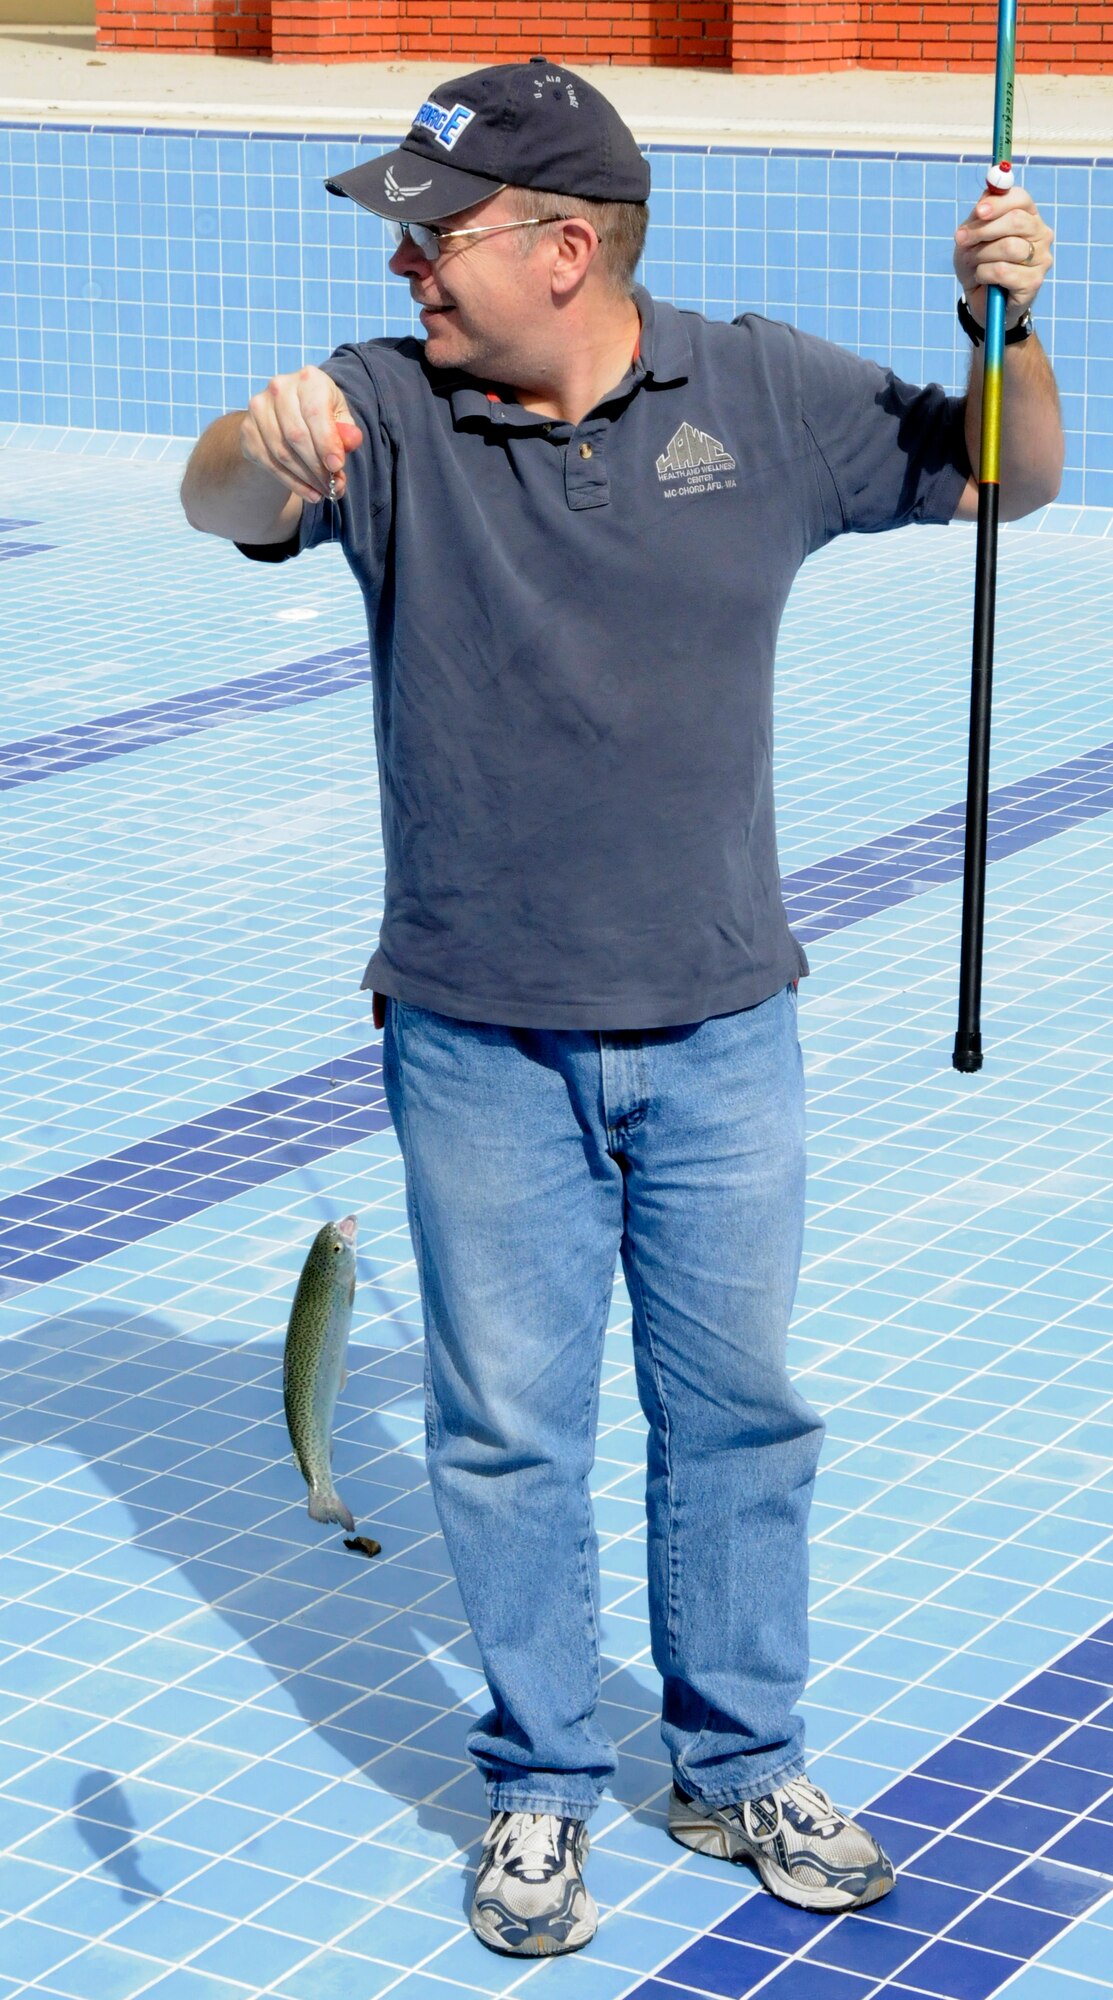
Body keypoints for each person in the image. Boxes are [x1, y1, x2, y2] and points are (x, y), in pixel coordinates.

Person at [181, 56, 1063, 1959]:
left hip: (724, 1025)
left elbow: (1003, 468)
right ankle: (537, 1786)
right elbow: (219, 500)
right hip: (473, 1031)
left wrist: (1012, 320)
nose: (408, 266)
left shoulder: (763, 393)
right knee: (507, 1432)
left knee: (739, 1416)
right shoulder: (387, 412)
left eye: (439, 232)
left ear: (564, 247)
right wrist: (260, 446)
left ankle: (736, 1760)